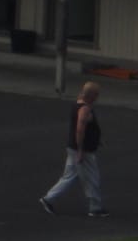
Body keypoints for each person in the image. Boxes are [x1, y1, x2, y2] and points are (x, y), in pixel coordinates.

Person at [39, 81, 109, 217]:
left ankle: (49, 199)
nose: (97, 97)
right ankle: (95, 207)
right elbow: (80, 129)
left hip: (73, 148)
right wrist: (80, 150)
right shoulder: (85, 109)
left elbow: (87, 128)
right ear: (91, 95)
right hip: (82, 151)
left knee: (69, 176)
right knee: (92, 178)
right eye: (96, 94)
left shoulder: (79, 103)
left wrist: (96, 139)